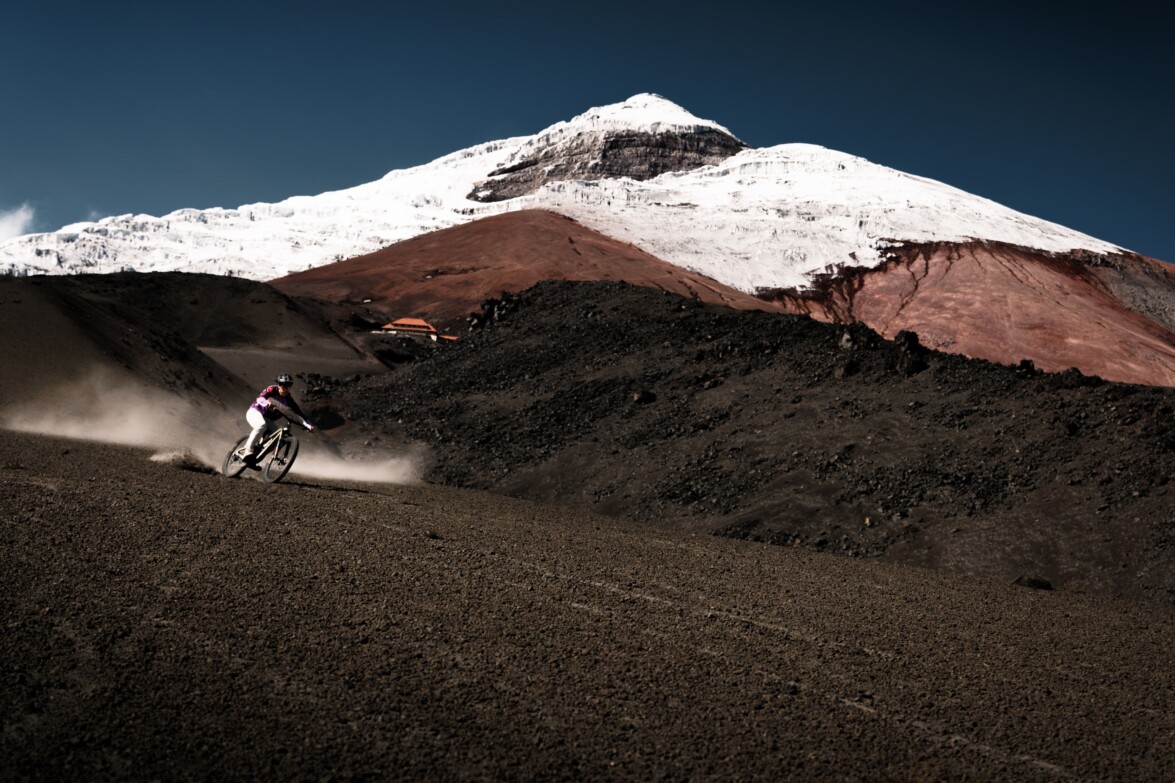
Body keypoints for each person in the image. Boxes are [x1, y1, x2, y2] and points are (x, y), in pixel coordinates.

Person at [240, 373, 315, 458]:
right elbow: (260, 398)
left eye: (288, 386)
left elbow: (299, 414)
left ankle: (256, 458)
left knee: (276, 439)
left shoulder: (289, 401)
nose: (285, 389)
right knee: (261, 425)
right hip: (255, 411)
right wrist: (267, 403)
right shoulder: (272, 389)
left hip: (267, 419)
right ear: (278, 385)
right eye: (282, 386)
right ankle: (247, 450)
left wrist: (309, 426)